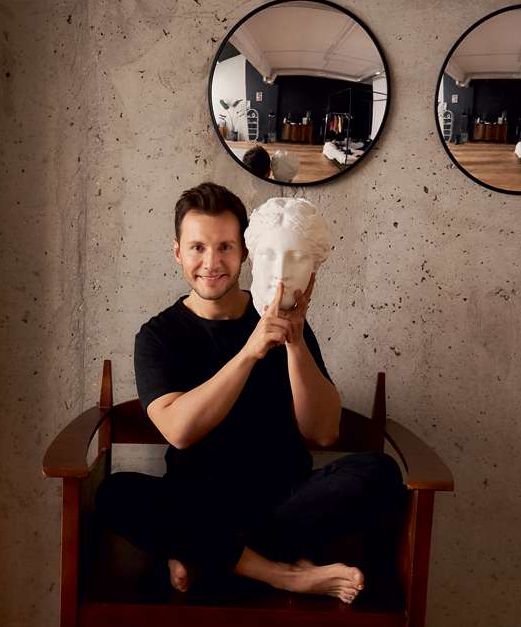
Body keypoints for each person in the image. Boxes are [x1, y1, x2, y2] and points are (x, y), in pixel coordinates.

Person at [94, 182, 404, 604]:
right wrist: (249, 352)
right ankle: (282, 573)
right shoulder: (159, 336)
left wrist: (294, 342)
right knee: (117, 494)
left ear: (244, 253)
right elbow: (180, 431)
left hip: (283, 502)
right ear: (178, 252)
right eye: (198, 247)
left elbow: (324, 432)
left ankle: (206, 555)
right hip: (197, 501)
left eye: (225, 247)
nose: (211, 262)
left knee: (379, 474)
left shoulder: (287, 322)